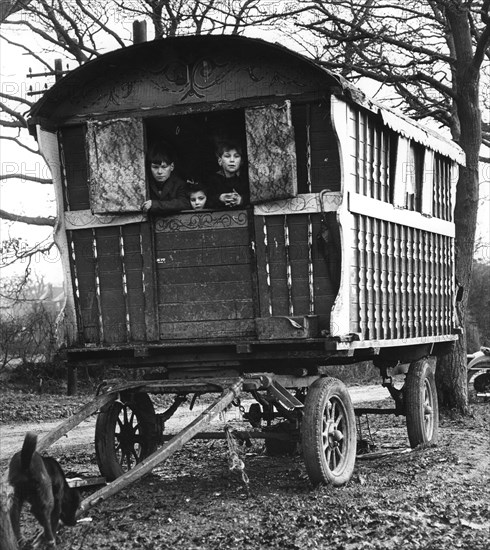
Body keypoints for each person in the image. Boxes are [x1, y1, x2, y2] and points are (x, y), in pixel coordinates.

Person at [141, 143, 189, 215]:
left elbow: (184, 203)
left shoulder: (178, 184)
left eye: (164, 167)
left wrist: (155, 205)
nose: (159, 172)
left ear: (172, 167)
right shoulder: (144, 183)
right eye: (155, 167)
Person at [208, 140, 249, 208]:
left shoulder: (247, 179)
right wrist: (220, 198)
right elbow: (207, 200)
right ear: (220, 161)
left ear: (241, 161)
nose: (232, 160)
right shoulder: (213, 180)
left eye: (236, 156)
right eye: (227, 156)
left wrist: (241, 200)